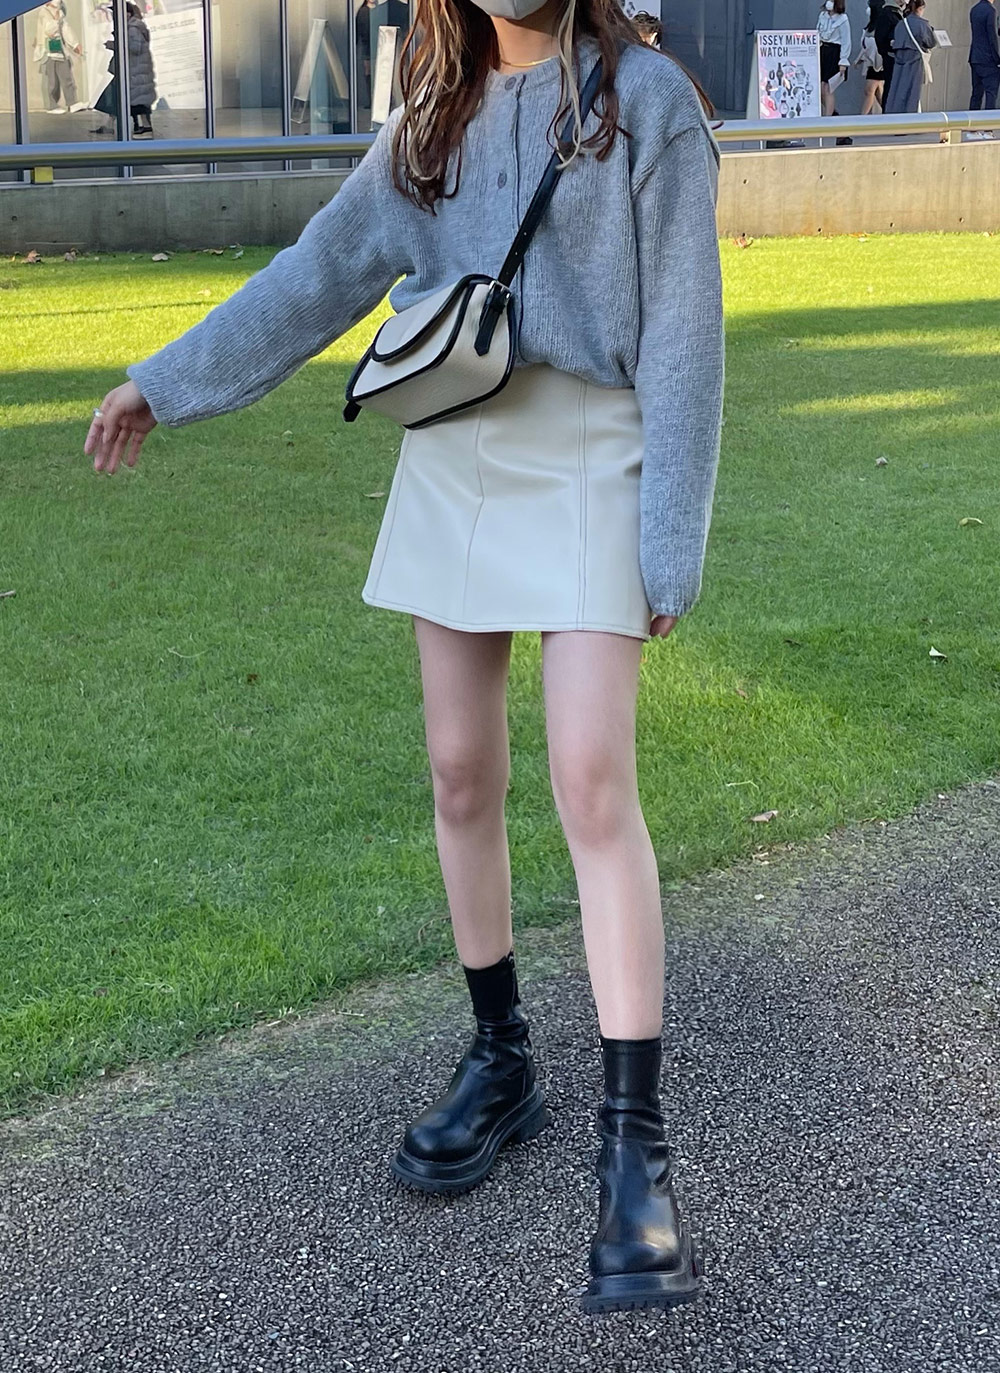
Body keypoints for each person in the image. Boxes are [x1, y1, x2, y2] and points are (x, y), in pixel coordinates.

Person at [84, 0, 724, 1320]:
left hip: (596, 452)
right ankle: (502, 1057)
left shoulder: (647, 101)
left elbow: (684, 330)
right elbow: (316, 275)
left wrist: (670, 544)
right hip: (456, 447)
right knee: (458, 772)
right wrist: (164, 378)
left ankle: (636, 1155)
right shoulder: (429, 117)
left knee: (593, 780)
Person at [32, 0, 87, 115]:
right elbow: (49, 31)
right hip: (48, 51)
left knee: (67, 77)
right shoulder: (44, 12)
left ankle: (72, 103)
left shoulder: (60, 13)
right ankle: (52, 105)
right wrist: (56, 19)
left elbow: (66, 30)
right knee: (52, 81)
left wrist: (75, 44)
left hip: (60, 50)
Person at [885, 0, 938, 113]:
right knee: (913, 91)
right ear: (920, 8)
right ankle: (912, 116)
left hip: (899, 60)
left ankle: (894, 113)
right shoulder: (922, 24)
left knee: (897, 88)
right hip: (915, 59)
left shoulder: (900, 24)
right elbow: (931, 42)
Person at [817, 0, 852, 143]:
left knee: (828, 88)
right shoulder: (822, 16)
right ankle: (833, 115)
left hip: (834, 53)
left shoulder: (843, 19)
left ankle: (826, 121)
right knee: (820, 89)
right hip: (822, 51)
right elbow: (817, 33)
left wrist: (843, 61)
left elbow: (846, 40)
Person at [126, 2, 156, 137]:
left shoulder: (132, 28)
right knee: (140, 100)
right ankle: (144, 127)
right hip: (140, 69)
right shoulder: (137, 26)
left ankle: (146, 128)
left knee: (139, 102)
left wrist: (117, 45)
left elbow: (135, 48)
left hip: (137, 69)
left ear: (128, 14)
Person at [969, 0, 1000, 122]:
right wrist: (997, 58)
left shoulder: (974, 9)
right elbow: (992, 36)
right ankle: (988, 126)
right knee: (991, 94)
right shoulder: (991, 10)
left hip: (975, 57)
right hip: (988, 59)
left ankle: (971, 124)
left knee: (976, 94)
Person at [855, 0, 886, 113]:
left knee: (869, 90)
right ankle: (889, 112)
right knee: (877, 92)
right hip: (871, 63)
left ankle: (862, 118)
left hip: (878, 63)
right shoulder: (869, 27)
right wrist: (859, 59)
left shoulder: (881, 26)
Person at [874, 0, 904, 106]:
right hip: (891, 56)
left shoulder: (901, 13)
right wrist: (886, 52)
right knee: (890, 86)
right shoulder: (887, 13)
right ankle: (888, 110)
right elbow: (880, 37)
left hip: (899, 57)